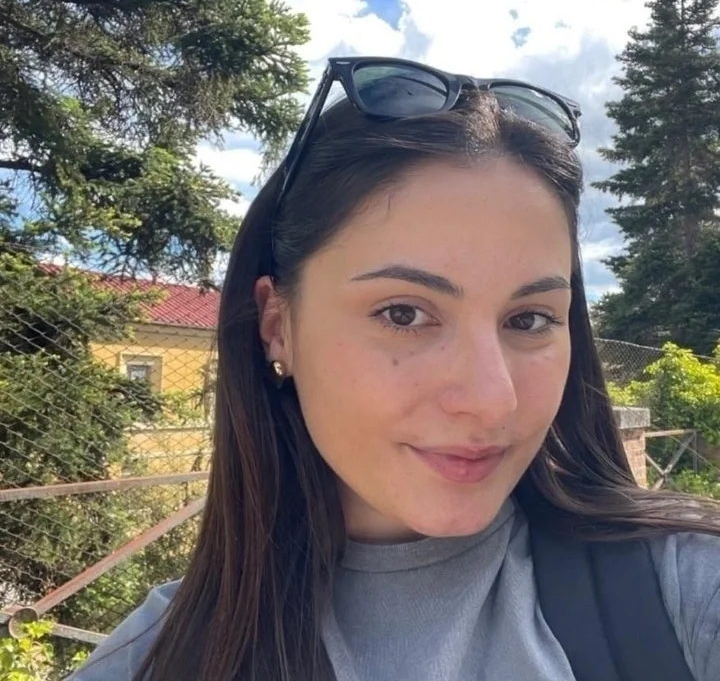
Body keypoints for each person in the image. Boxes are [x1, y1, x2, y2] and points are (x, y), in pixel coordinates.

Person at [68, 57, 720, 681]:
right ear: (277, 325)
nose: (492, 400)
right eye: (404, 313)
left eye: (528, 319)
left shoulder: (681, 587)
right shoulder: (155, 660)